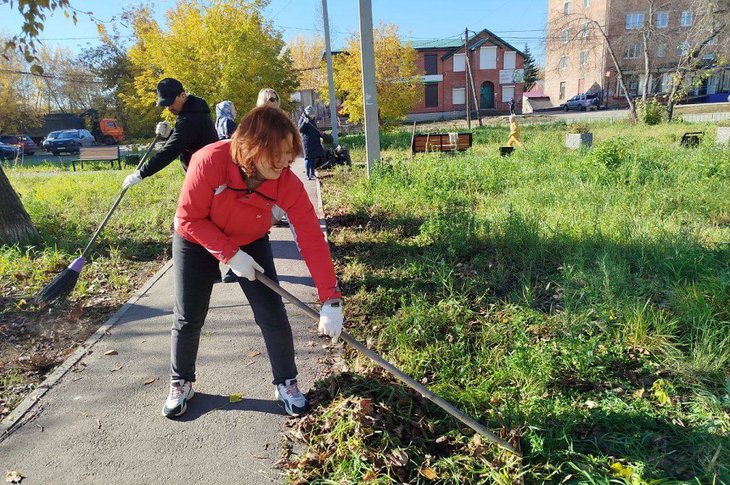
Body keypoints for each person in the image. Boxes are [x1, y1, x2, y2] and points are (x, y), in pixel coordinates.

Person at [162, 106, 344, 419]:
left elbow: (311, 237)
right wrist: (229, 255)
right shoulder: (209, 160)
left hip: (249, 237)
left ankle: (286, 381)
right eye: (281, 152)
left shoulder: (284, 180)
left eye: (291, 153)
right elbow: (189, 218)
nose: (289, 161)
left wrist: (331, 298)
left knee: (272, 311)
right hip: (196, 239)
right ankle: (182, 380)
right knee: (189, 314)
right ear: (253, 147)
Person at [122, 78, 218, 190]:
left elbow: (171, 150)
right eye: (165, 105)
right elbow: (188, 140)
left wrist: (141, 173)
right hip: (205, 174)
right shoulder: (192, 111)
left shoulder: (191, 118)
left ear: (182, 95)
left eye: (171, 102)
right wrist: (169, 133)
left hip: (208, 178)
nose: (169, 108)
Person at [298, 105, 326, 180]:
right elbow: (300, 130)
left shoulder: (312, 119)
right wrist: (304, 123)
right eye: (312, 114)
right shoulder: (303, 119)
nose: (313, 116)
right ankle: (307, 175)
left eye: (313, 114)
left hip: (314, 142)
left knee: (313, 159)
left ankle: (312, 174)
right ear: (308, 114)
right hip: (307, 143)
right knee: (308, 159)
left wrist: (320, 134)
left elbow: (314, 129)